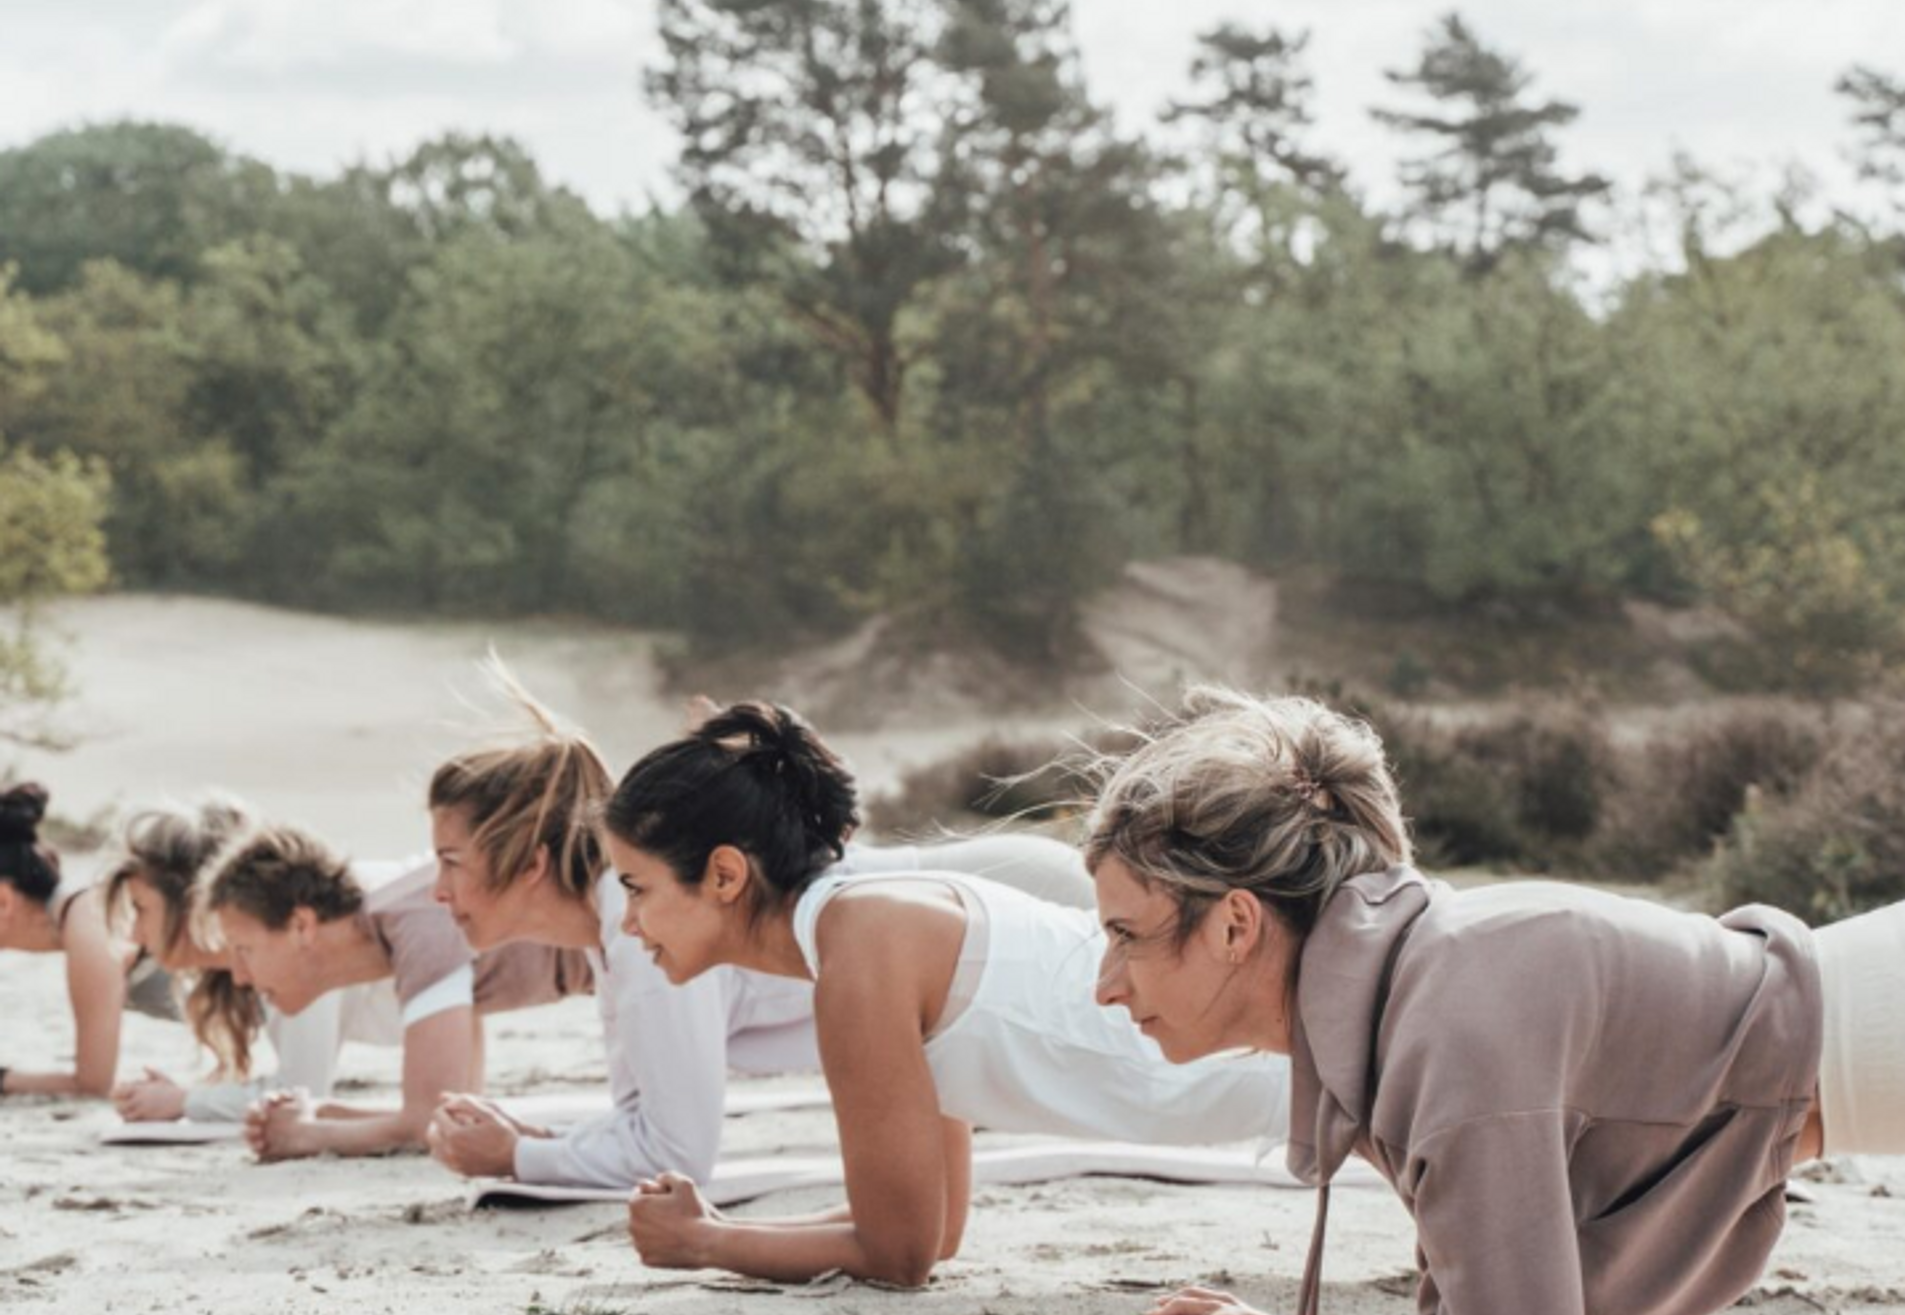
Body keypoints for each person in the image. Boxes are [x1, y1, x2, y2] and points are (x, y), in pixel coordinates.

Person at [1080, 686, 1899, 1315]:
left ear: (1233, 924)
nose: (1106, 985)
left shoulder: (1443, 1038)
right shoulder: (1410, 1001)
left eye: (1125, 933)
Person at [596, 701, 1290, 1288]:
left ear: (724, 875)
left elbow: (897, 1256)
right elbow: (934, 1225)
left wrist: (705, 1245)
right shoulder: (863, 923)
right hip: (1277, 1070)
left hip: (1283, 1063)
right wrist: (718, 1226)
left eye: (635, 887)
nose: (627, 921)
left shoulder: (860, 955)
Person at [423, 686, 1117, 1194]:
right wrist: (530, 1142)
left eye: (450, 860)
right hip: (994, 906)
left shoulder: (642, 923)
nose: (436, 889)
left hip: (1028, 907)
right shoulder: (626, 924)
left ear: (530, 861)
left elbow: (673, 1152)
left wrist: (514, 1155)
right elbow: (646, 1123)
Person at [206, 824, 592, 1159]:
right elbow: (459, 1104)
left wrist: (305, 1134)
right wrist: (325, 1113)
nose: (238, 977)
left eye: (244, 949)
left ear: (301, 926)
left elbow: (428, 1123)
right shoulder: (403, 926)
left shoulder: (419, 923)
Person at [104, 798, 407, 1124]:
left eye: (141, 909)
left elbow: (302, 1091)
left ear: (192, 902)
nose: (135, 934)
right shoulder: (263, 947)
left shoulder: (294, 938)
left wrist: (184, 1101)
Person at [0, 782, 175, 1098]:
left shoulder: (88, 926)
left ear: (4, 901)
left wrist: (4, 1079)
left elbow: (93, 1084)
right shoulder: (85, 914)